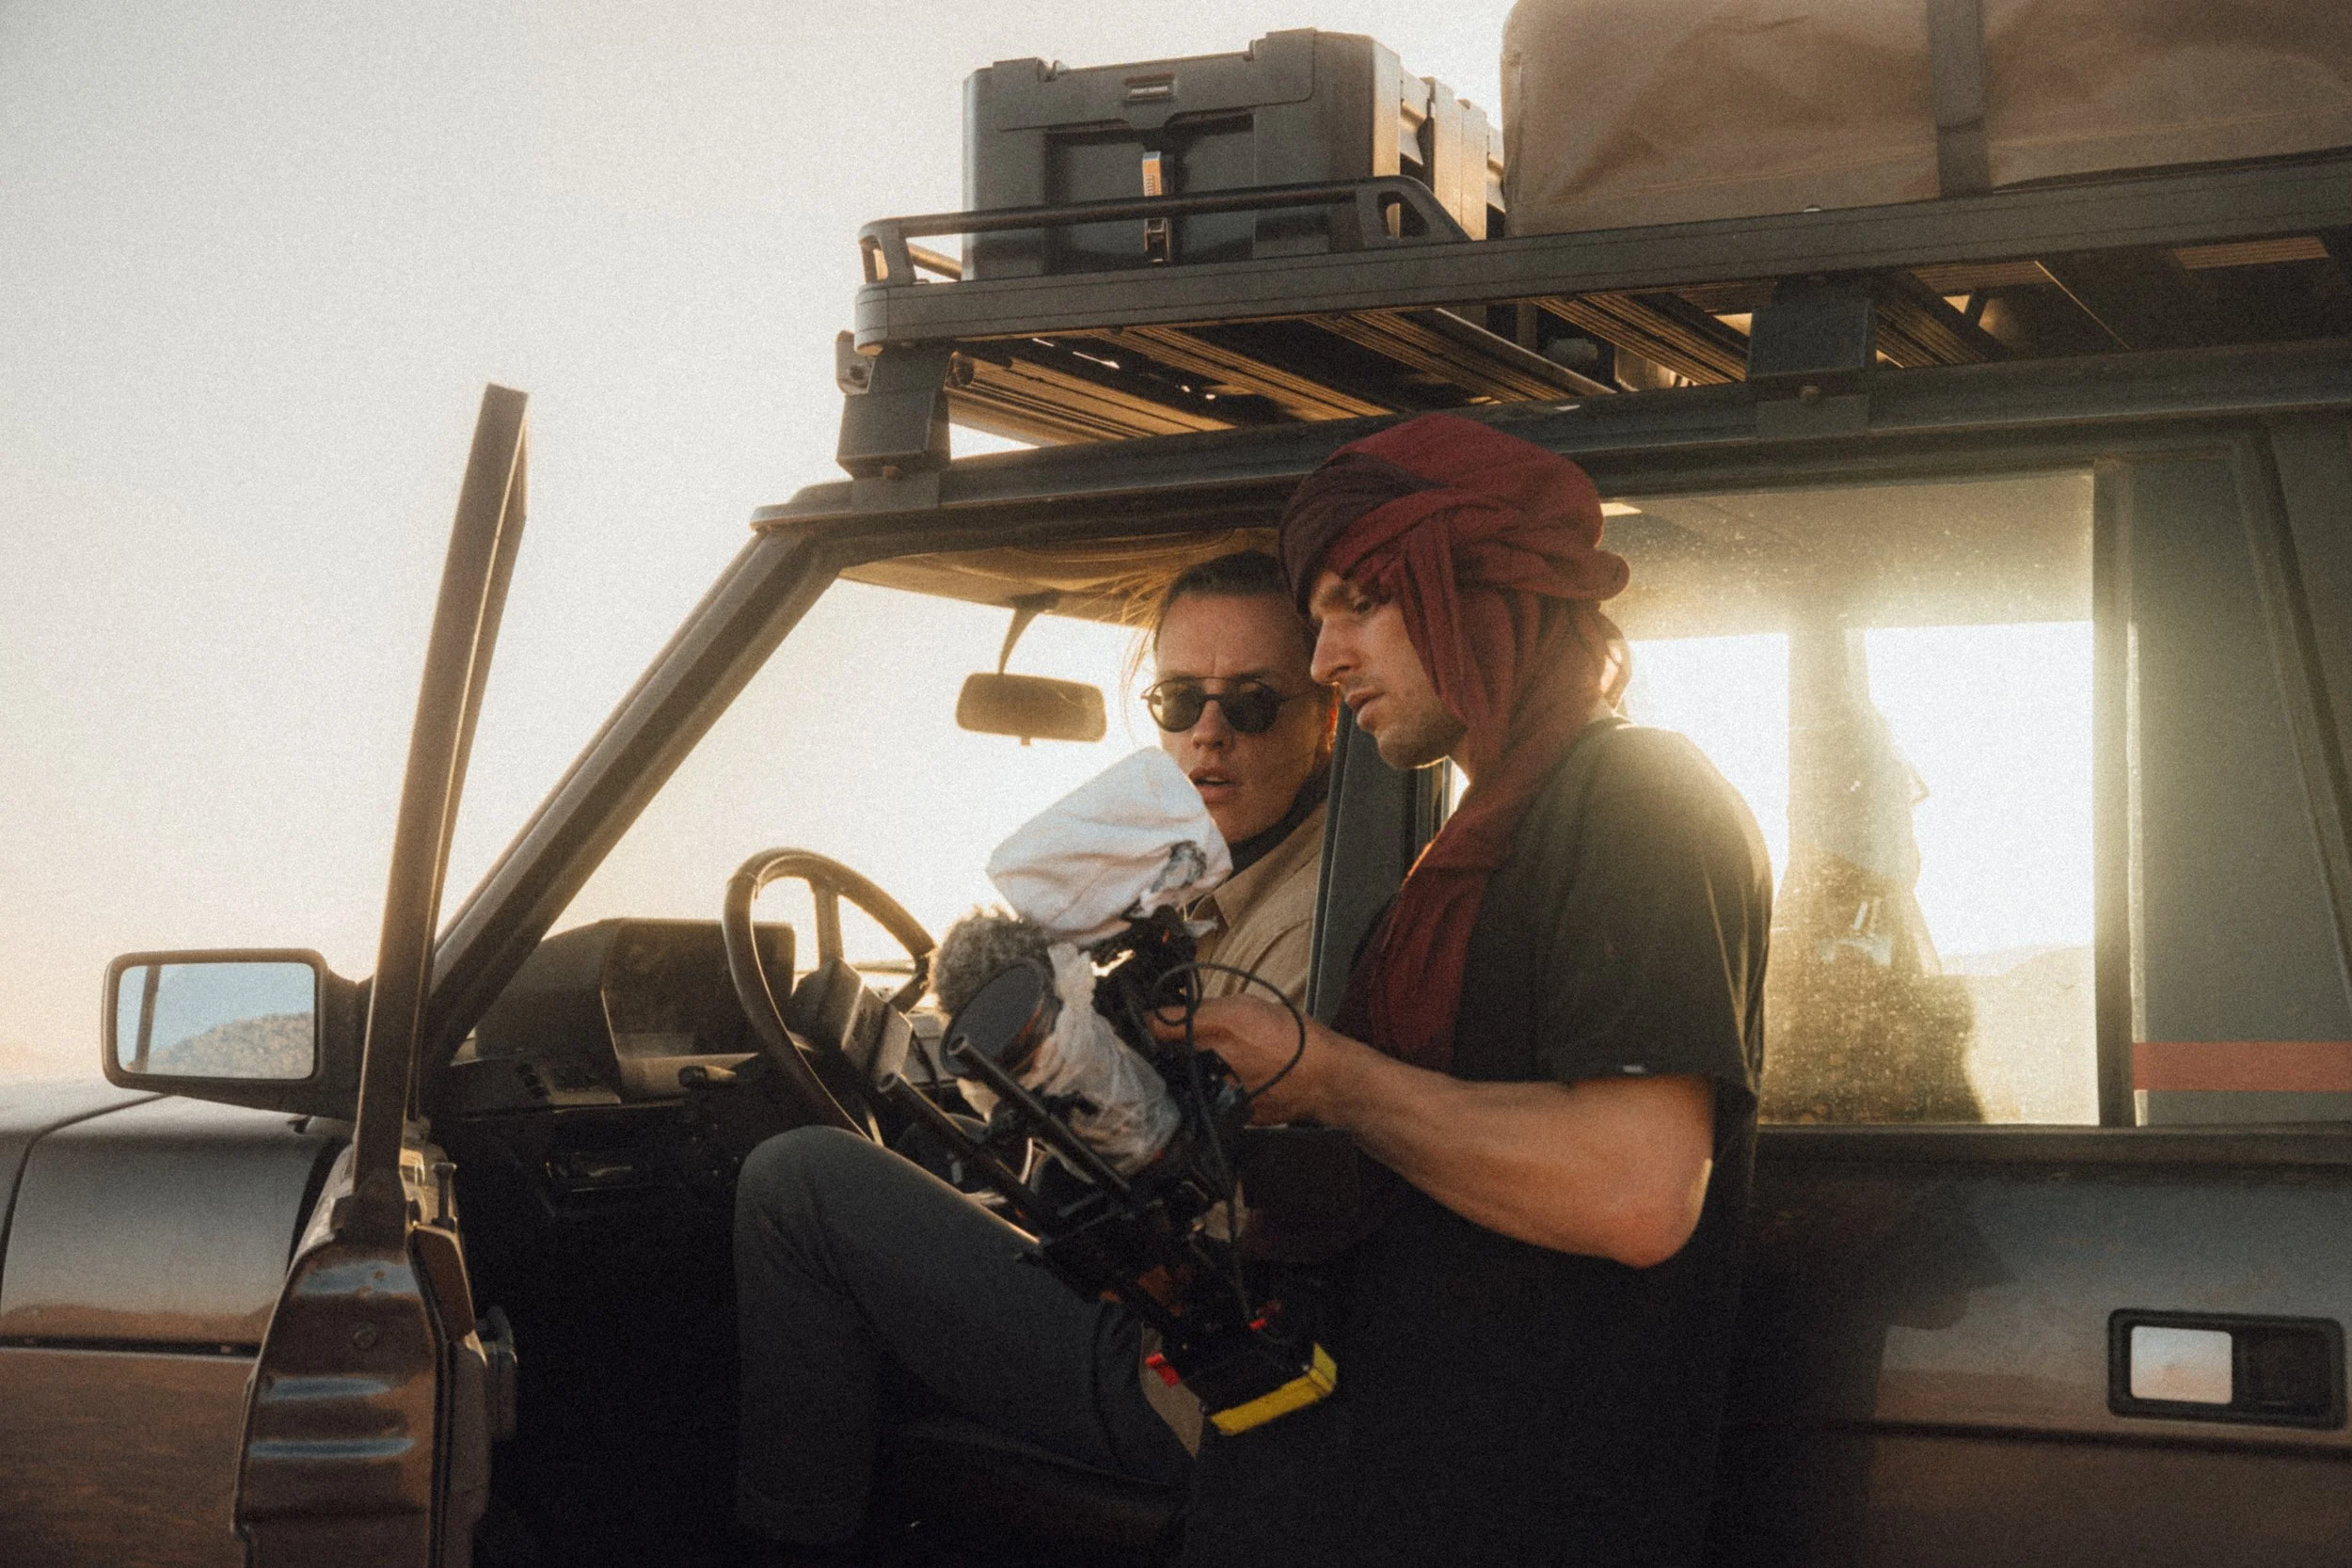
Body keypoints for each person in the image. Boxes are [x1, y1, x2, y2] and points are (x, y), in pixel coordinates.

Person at [1160, 412, 1772, 1567]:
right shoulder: (1470, 840)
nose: (1328, 660)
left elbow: (1634, 1187)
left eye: (1359, 603)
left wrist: (1326, 1072)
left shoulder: (1637, 798)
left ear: (1482, 588)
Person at [732, 554, 1331, 1562]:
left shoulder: (1308, 921)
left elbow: (1204, 1206)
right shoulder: (1205, 879)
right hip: (1173, 1320)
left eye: (1256, 702)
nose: (1208, 732)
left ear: (1329, 713)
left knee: (797, 1184)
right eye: (1179, 698)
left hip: (1188, 1373)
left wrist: (1064, 1061)